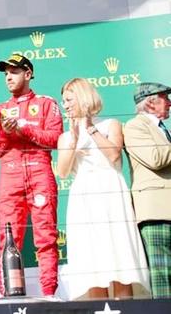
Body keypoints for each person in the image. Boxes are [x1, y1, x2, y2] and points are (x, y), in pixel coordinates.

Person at [56, 78, 149, 300]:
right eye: (63, 101)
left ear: (83, 97)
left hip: (111, 193)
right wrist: (75, 138)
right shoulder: (65, 136)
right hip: (83, 197)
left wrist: (91, 130)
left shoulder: (111, 124)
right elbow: (62, 171)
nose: (65, 105)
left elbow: (115, 156)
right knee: (92, 261)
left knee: (120, 257)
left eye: (69, 100)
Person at [0, 54, 62, 297]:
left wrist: (23, 127)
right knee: (8, 239)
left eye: (15, 71)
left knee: (46, 237)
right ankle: (8, 295)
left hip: (40, 173)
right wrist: (7, 134)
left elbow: (55, 139)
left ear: (28, 74)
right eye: (6, 72)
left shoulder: (46, 103)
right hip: (10, 178)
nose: (9, 76)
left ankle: (49, 294)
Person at [123, 82, 171, 299]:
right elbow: (155, 159)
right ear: (151, 103)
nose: (169, 102)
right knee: (163, 278)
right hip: (157, 212)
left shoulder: (163, 130)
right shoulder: (135, 126)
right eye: (164, 97)